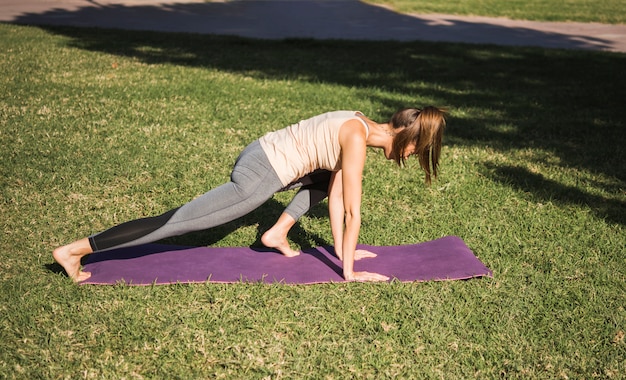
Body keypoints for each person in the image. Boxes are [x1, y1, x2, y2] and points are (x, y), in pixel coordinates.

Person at [53, 107, 446, 283]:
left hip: (265, 155)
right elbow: (352, 214)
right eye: (417, 148)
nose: (412, 156)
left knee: (326, 180)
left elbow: (336, 194)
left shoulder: (357, 121)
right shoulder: (357, 140)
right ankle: (75, 250)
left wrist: (345, 252)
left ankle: (276, 233)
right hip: (261, 172)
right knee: (181, 221)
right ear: (406, 134)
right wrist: (351, 273)